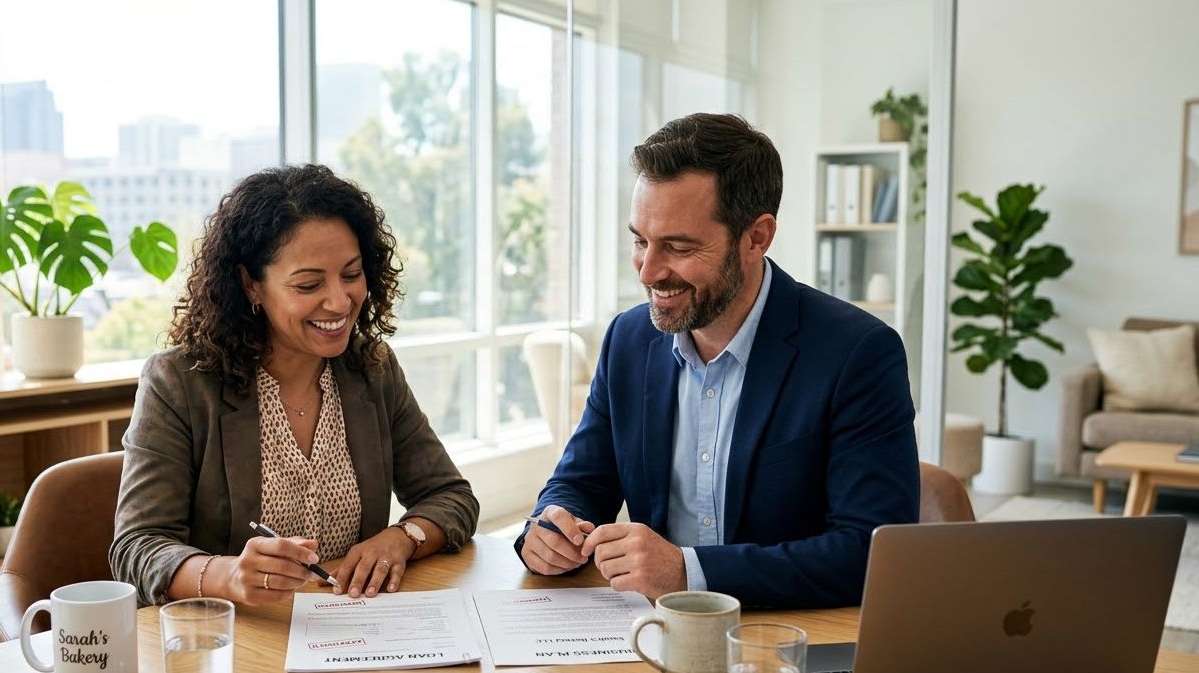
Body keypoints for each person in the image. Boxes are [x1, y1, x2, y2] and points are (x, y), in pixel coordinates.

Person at [517, 113, 918, 609]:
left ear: (756, 238)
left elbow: (868, 552)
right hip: (652, 631)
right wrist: (550, 525)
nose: (648, 271)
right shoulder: (628, 339)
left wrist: (688, 572)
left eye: (678, 247)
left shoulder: (858, 352)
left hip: (785, 634)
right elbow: (580, 482)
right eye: (640, 241)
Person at [111, 164, 479, 607]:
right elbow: (136, 547)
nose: (339, 302)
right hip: (233, 632)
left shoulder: (371, 369)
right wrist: (227, 575)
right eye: (308, 284)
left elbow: (451, 496)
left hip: (349, 625)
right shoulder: (178, 382)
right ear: (251, 285)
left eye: (351, 274)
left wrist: (402, 537)